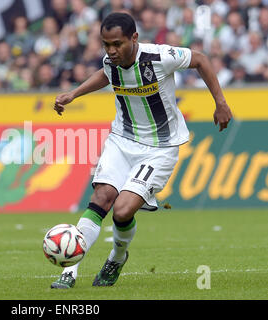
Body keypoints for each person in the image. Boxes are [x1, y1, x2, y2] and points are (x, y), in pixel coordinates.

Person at [51, 12, 232, 289]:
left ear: (134, 38)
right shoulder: (111, 60)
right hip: (122, 140)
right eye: (106, 44)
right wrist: (73, 94)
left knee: (122, 211)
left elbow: (201, 60)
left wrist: (220, 102)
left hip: (159, 148)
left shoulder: (160, 56)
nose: (111, 51)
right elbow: (106, 74)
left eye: (117, 44)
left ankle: (117, 257)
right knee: (101, 197)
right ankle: (70, 270)